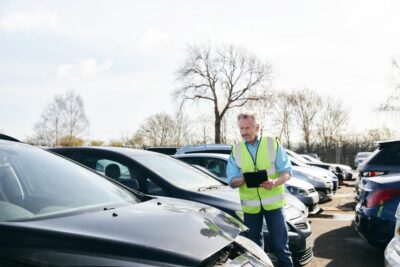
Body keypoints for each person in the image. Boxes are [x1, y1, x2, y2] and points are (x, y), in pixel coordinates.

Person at [227, 111, 293, 267]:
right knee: (254, 250)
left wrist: (275, 182)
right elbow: (231, 180)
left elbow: (287, 172)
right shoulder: (236, 150)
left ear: (257, 127)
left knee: (281, 247)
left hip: (274, 207)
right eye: (241, 128)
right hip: (251, 210)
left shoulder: (272, 144)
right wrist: (242, 180)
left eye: (248, 128)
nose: (244, 132)